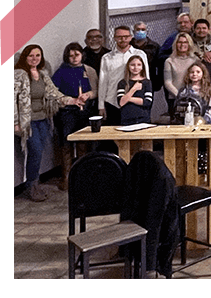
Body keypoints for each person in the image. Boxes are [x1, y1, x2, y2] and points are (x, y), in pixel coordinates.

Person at [14, 45, 83, 201]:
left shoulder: (43, 75)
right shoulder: (19, 75)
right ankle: (31, 185)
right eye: (31, 55)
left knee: (37, 153)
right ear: (25, 57)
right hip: (27, 122)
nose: (34, 58)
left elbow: (55, 94)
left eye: (38, 55)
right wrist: (15, 122)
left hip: (43, 120)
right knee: (36, 152)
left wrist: (73, 100)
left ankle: (34, 184)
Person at [51, 43, 98, 173]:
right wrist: (70, 100)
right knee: (66, 143)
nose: (74, 58)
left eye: (76, 55)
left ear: (82, 55)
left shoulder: (89, 70)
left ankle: (81, 174)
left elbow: (96, 90)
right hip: (67, 111)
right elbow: (53, 92)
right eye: (70, 56)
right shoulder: (61, 71)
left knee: (83, 143)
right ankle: (67, 176)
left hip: (85, 110)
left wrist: (87, 95)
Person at [98, 26, 150, 126]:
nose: (123, 39)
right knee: (113, 137)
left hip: (135, 103)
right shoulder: (107, 58)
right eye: (119, 37)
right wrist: (101, 105)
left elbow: (145, 78)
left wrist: (146, 103)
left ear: (131, 37)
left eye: (126, 36)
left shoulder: (140, 54)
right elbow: (103, 82)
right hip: (112, 103)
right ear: (114, 38)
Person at [163, 32, 196, 121]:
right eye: (180, 42)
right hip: (175, 99)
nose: (182, 45)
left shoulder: (195, 60)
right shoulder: (169, 61)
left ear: (189, 44)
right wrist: (180, 96)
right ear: (176, 44)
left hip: (193, 98)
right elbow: (167, 82)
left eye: (185, 42)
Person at [117, 55, 154, 125]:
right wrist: (134, 89)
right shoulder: (122, 83)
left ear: (142, 67)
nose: (135, 67)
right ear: (128, 66)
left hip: (143, 118)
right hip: (126, 118)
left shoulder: (147, 82)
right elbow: (121, 102)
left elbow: (147, 102)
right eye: (132, 65)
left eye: (139, 65)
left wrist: (128, 98)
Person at [131, 21, 162, 91]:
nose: (140, 31)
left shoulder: (154, 46)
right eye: (138, 30)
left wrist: (158, 83)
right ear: (133, 32)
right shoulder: (129, 45)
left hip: (149, 80)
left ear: (146, 31)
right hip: (131, 80)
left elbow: (159, 65)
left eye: (143, 29)